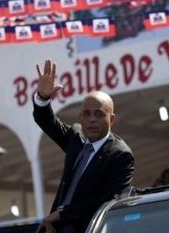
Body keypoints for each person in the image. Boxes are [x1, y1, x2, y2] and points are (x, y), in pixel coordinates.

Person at [33, 59, 135, 233]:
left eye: (99, 114)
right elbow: (46, 120)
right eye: (87, 114)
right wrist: (43, 97)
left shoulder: (120, 155)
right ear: (80, 117)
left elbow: (110, 202)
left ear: (111, 119)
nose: (92, 119)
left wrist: (63, 213)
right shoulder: (76, 136)